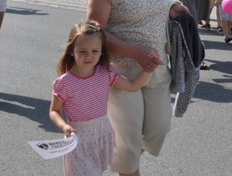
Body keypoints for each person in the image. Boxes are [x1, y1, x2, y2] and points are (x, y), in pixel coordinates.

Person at [86, 0, 189, 175]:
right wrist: (134, 51)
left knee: (159, 129)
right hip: (121, 73)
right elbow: (94, 33)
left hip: (155, 66)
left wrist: (170, 5)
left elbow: (152, 2)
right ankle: (126, 160)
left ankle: (122, 153)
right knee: (129, 141)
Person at [49, 20, 159, 175]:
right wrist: (64, 126)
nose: (89, 56)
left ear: (101, 51)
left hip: (102, 134)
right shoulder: (64, 82)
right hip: (79, 138)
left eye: (95, 51)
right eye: (82, 51)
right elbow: (54, 110)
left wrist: (148, 69)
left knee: (97, 172)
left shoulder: (105, 73)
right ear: (71, 51)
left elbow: (133, 86)